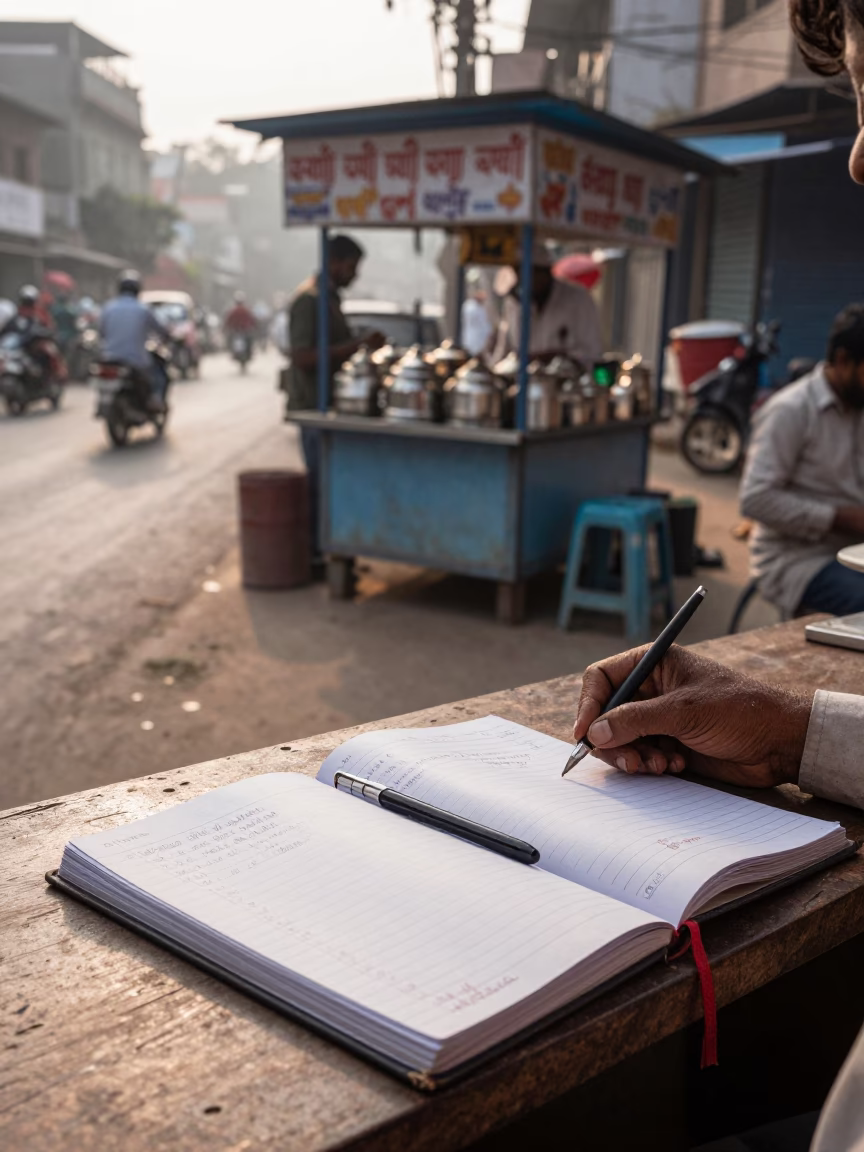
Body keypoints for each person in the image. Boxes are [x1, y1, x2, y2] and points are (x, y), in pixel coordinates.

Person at [740, 305, 864, 617]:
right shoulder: (791, 410)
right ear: (843, 360)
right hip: (798, 558)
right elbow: (756, 499)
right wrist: (841, 518)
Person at [287, 234, 384, 564]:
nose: (355, 275)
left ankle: (331, 548)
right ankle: (316, 553)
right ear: (335, 263)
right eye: (352, 267)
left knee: (330, 481)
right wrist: (357, 346)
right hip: (313, 405)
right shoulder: (309, 300)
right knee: (317, 482)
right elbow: (301, 356)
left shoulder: (329, 299)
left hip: (331, 404)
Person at [491, 243, 603, 366]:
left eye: (529, 273)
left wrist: (552, 358)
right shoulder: (513, 302)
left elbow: (591, 352)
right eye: (518, 272)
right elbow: (503, 352)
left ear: (545, 272)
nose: (522, 280)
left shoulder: (578, 298)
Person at [99, 270, 171, 412]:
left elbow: (102, 332)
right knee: (159, 373)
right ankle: (155, 401)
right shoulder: (143, 309)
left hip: (108, 357)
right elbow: (160, 330)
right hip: (136, 360)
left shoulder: (108, 308)